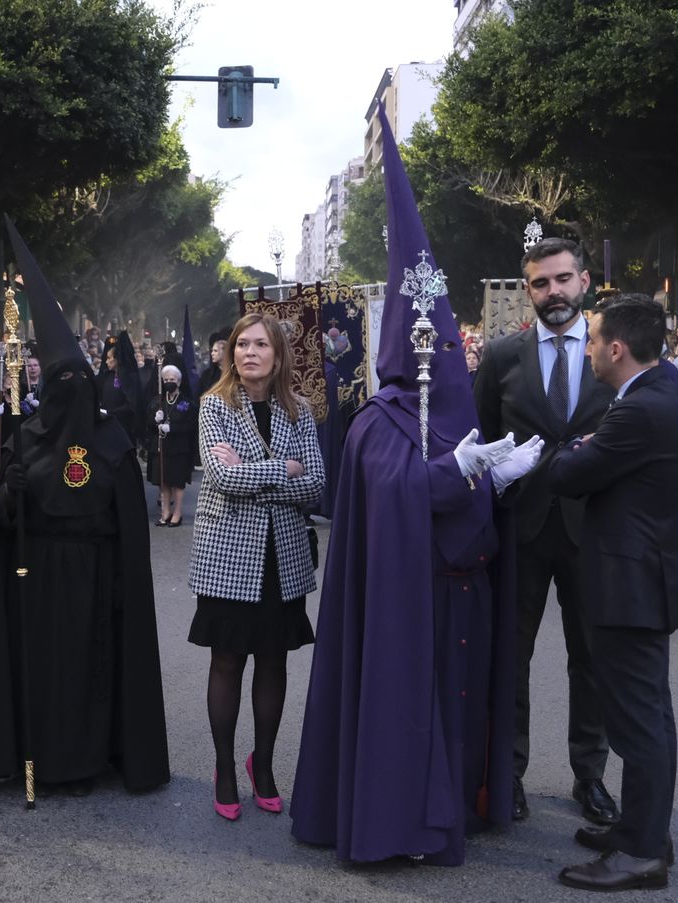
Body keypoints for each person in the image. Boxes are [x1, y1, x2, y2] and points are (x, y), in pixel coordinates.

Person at [292, 122, 533, 862]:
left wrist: (495, 474)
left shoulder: (457, 404)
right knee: (411, 707)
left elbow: (463, 482)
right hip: (408, 598)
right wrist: (460, 471)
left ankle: (460, 801)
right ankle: (402, 817)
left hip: (468, 589)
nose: (444, 355)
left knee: (461, 705)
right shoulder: (377, 417)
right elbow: (389, 491)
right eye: (430, 342)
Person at [0, 223, 168, 796]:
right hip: (37, 578)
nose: (73, 389)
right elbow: (6, 522)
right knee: (44, 673)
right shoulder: (24, 438)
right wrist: (13, 491)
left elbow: (129, 523)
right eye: (62, 381)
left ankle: (90, 759)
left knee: (91, 673)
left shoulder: (113, 444)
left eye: (82, 379)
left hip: (97, 576)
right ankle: (40, 759)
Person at [549, 295, 678, 892]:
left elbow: (568, 475)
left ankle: (640, 852)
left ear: (615, 348)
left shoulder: (638, 410)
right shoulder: (656, 394)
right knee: (648, 716)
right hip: (643, 577)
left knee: (639, 724)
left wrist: (572, 449)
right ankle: (643, 830)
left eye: (591, 341)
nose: (586, 352)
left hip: (629, 582)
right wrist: (588, 447)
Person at [473, 237, 618, 825]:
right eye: (540, 283)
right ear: (527, 291)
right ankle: (507, 774)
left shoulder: (614, 352)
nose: (553, 292)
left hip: (595, 528)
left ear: (584, 282)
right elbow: (482, 441)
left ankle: (591, 776)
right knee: (511, 655)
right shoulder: (502, 357)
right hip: (522, 528)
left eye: (562, 280)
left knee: (593, 659)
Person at [188, 313, 324, 819]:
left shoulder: (300, 410)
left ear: (278, 353)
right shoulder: (214, 405)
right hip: (228, 555)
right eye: (240, 343)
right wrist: (281, 470)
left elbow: (316, 485)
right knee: (226, 660)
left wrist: (256, 474)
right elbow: (222, 478)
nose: (247, 352)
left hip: (283, 557)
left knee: (273, 661)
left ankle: (261, 765)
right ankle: (224, 767)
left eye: (259, 344)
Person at [146, 364, 195, 527]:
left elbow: (190, 426)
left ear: (179, 382)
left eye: (172, 380)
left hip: (178, 448)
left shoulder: (186, 402)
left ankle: (177, 512)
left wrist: (172, 428)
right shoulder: (158, 401)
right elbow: (148, 425)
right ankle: (165, 511)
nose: (169, 382)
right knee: (163, 481)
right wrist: (155, 420)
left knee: (176, 481)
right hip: (161, 446)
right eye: (166, 379)